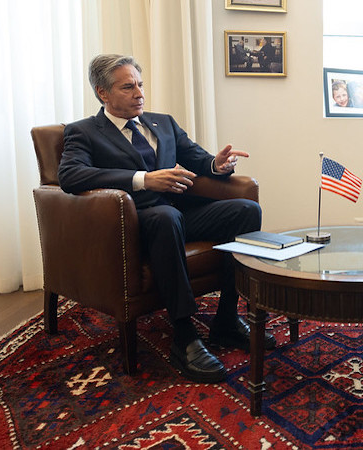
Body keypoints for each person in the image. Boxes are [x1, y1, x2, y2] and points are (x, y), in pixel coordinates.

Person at [58, 54, 276, 384]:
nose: (139, 93)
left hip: (180, 216)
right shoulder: (84, 132)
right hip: (134, 223)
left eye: (140, 85)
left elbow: (199, 161)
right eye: (128, 87)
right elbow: (71, 175)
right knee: (164, 216)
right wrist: (143, 179)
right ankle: (185, 334)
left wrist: (218, 164)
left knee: (246, 210)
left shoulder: (163, 122)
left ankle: (228, 319)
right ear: (103, 93)